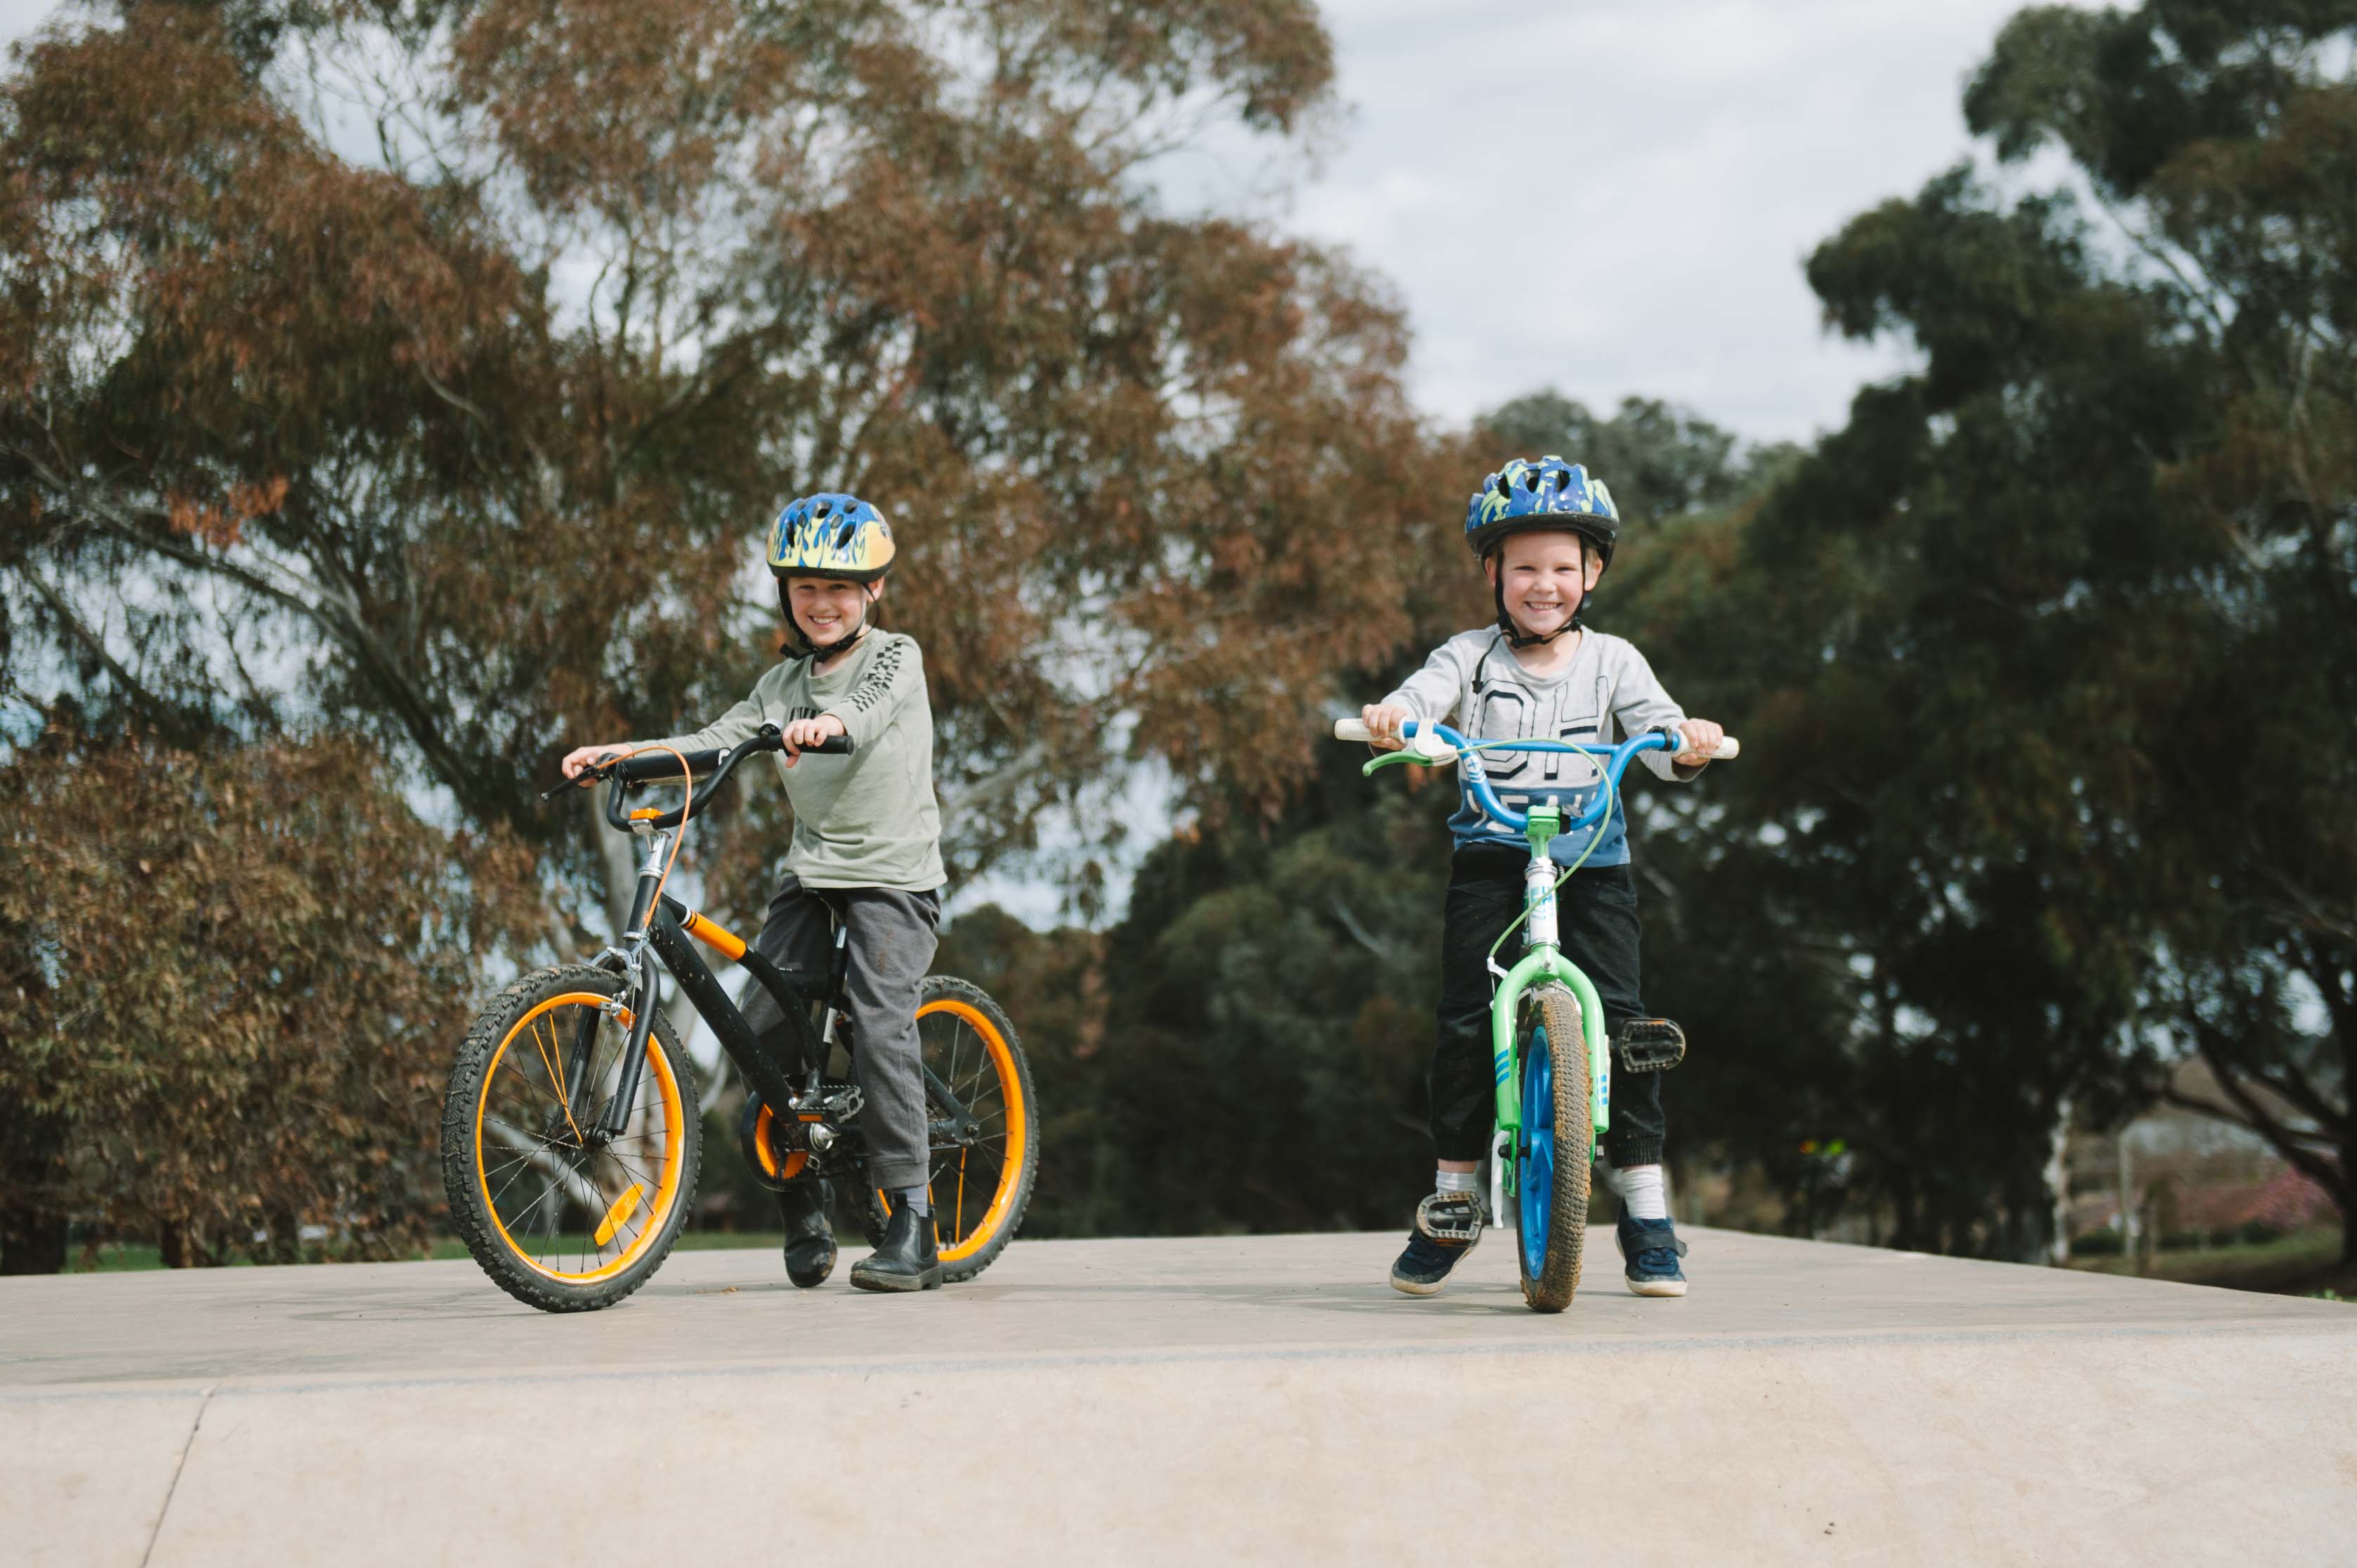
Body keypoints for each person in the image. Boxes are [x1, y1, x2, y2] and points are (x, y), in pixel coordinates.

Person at [562, 492, 950, 1293]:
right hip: (810, 877)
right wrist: (624, 752)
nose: (822, 603)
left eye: (840, 588)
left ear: (871, 591)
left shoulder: (893, 656)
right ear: (785, 594)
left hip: (891, 877)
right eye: (804, 588)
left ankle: (913, 1221)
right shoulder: (779, 685)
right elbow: (710, 742)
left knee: (878, 1025)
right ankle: (804, 1200)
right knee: (758, 1031)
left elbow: (867, 712)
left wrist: (829, 724)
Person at [1358, 456, 1724, 1299]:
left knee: (1628, 1028)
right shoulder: (1468, 657)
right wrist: (1397, 719)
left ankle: (1644, 1209)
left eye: (1563, 567)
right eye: (1523, 566)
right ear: (1492, 572)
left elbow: (1662, 737)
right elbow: (1422, 697)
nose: (1543, 585)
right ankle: (1452, 1198)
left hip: (1592, 864)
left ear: (1592, 573)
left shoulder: (1616, 663)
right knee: (1461, 1024)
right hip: (1492, 858)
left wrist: (1688, 739)